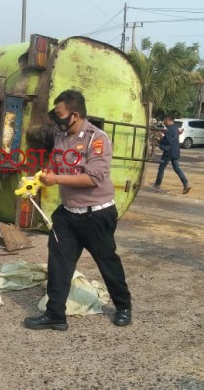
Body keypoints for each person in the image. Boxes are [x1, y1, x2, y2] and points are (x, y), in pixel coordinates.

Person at [23, 89, 132, 331]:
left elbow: (93, 178)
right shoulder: (61, 137)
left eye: (59, 114)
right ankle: (55, 315)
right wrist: (36, 181)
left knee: (107, 262)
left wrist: (57, 180)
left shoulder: (97, 139)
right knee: (58, 262)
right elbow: (53, 166)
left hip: (97, 214)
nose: (56, 118)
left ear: (74, 115)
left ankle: (123, 306)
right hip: (68, 214)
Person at [151, 114, 190, 194]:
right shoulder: (175, 128)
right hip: (175, 152)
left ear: (168, 120)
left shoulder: (170, 129)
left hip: (169, 152)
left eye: (165, 120)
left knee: (161, 167)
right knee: (177, 169)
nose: (164, 122)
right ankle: (186, 184)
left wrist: (160, 140)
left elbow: (169, 141)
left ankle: (157, 184)